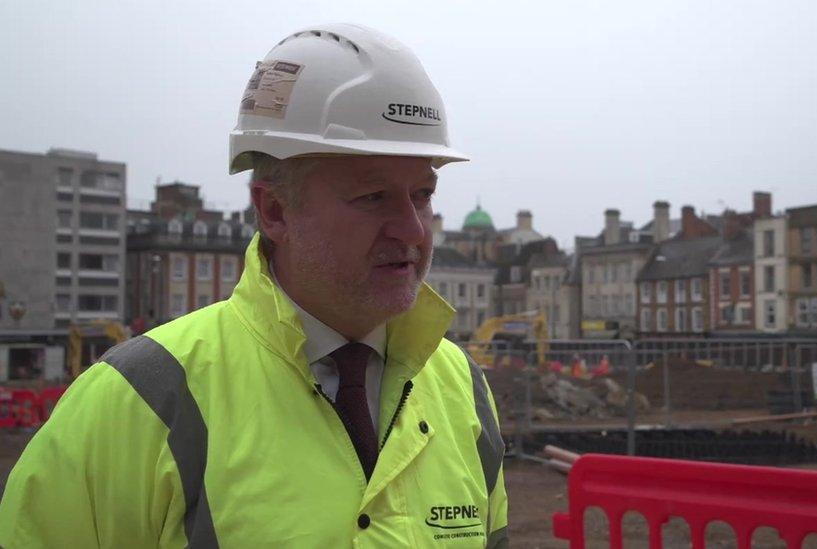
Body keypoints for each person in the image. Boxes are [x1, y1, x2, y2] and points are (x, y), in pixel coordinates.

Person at [0, 24, 508, 548]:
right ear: (274, 210)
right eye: (374, 197)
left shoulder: (461, 387)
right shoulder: (138, 400)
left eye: (422, 195)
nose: (413, 230)